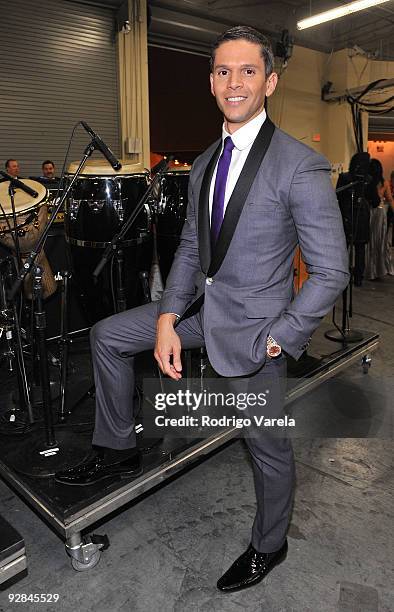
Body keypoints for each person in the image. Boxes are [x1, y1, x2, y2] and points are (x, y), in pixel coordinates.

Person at [55, 26, 349, 592]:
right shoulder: (207, 161)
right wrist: (167, 318)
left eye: (247, 71)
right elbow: (192, 249)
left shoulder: (300, 166)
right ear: (211, 81)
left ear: (270, 81)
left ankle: (271, 544)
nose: (233, 82)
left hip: (256, 330)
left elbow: (332, 270)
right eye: (222, 71)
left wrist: (280, 336)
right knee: (110, 335)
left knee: (266, 446)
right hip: (201, 313)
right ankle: (117, 448)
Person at [336, 153, 371, 286]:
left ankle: (342, 274)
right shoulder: (368, 180)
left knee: (344, 247)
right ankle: (358, 278)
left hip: (346, 216)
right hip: (360, 218)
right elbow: (374, 200)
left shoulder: (345, 177)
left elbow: (337, 196)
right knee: (360, 248)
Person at [365, 159, 394, 279]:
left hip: (369, 212)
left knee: (369, 240)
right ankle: (379, 269)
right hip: (381, 213)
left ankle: (369, 270)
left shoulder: (367, 182)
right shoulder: (384, 183)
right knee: (380, 241)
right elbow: (390, 199)